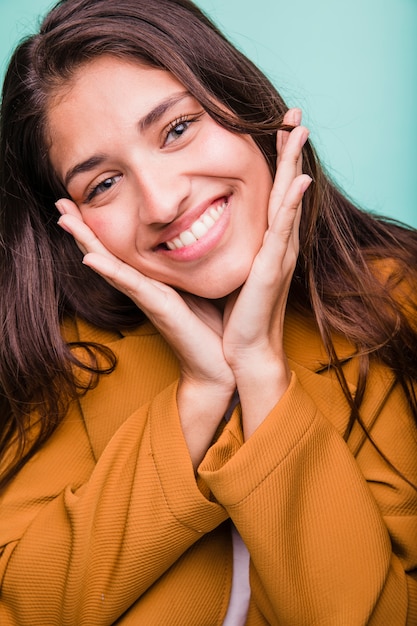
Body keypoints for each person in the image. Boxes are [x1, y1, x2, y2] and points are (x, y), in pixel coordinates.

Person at [0, 0, 416, 623]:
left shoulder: (392, 303)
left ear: (241, 103)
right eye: (103, 184)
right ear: (73, 221)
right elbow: (26, 604)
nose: (163, 201)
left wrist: (260, 370)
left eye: (175, 129)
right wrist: (197, 400)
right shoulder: (53, 355)